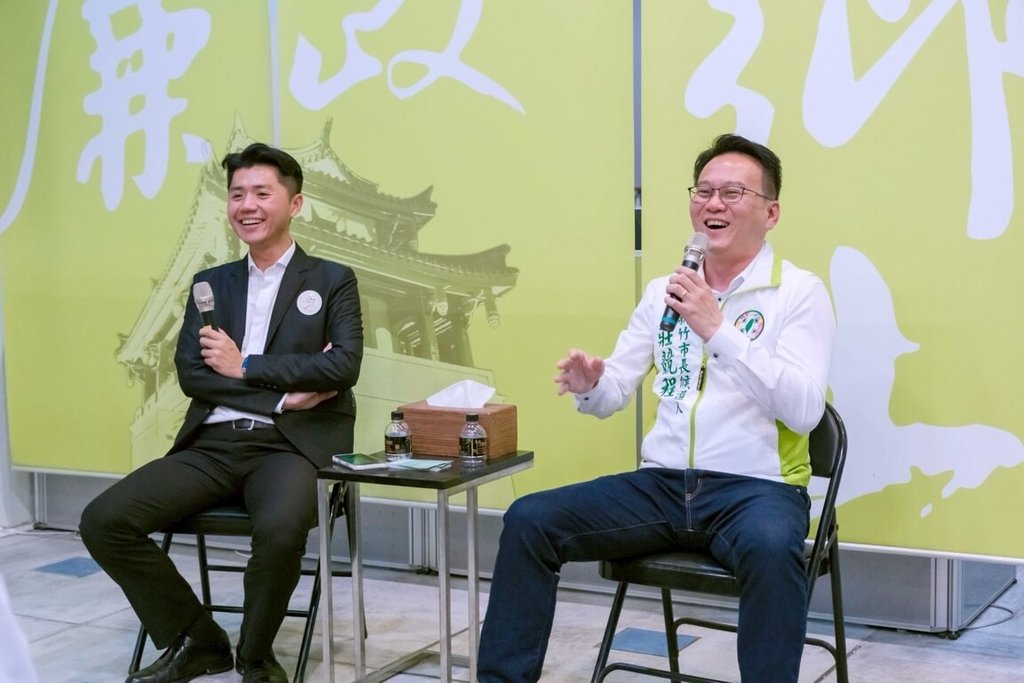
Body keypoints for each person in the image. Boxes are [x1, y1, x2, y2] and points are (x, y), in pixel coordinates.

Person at [477, 133, 835, 682]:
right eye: (704, 191)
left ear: (771, 213)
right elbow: (614, 391)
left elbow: (806, 411)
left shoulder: (797, 292)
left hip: (757, 490)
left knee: (771, 550)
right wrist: (591, 383)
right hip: (663, 485)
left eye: (733, 193)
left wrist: (717, 329)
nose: (713, 204)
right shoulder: (664, 292)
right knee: (530, 520)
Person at [80, 142, 363, 683]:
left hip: (289, 447)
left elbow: (342, 366)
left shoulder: (332, 280)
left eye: (261, 193)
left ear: (295, 203)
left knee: (282, 529)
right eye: (237, 194)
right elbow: (193, 375)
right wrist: (281, 393)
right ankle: (200, 640)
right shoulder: (211, 284)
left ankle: (255, 655)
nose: (246, 205)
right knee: (103, 520)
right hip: (212, 445)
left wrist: (244, 365)